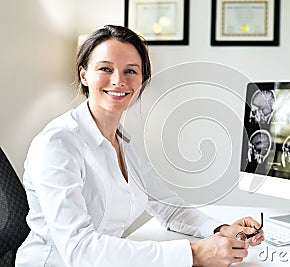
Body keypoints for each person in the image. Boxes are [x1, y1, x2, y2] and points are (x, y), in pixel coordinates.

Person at [15, 25, 264, 267]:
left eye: (131, 71)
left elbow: (170, 209)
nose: (118, 80)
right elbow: (80, 250)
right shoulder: (57, 144)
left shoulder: (123, 142)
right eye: (105, 68)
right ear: (84, 74)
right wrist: (194, 254)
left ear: (142, 79)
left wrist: (221, 229)